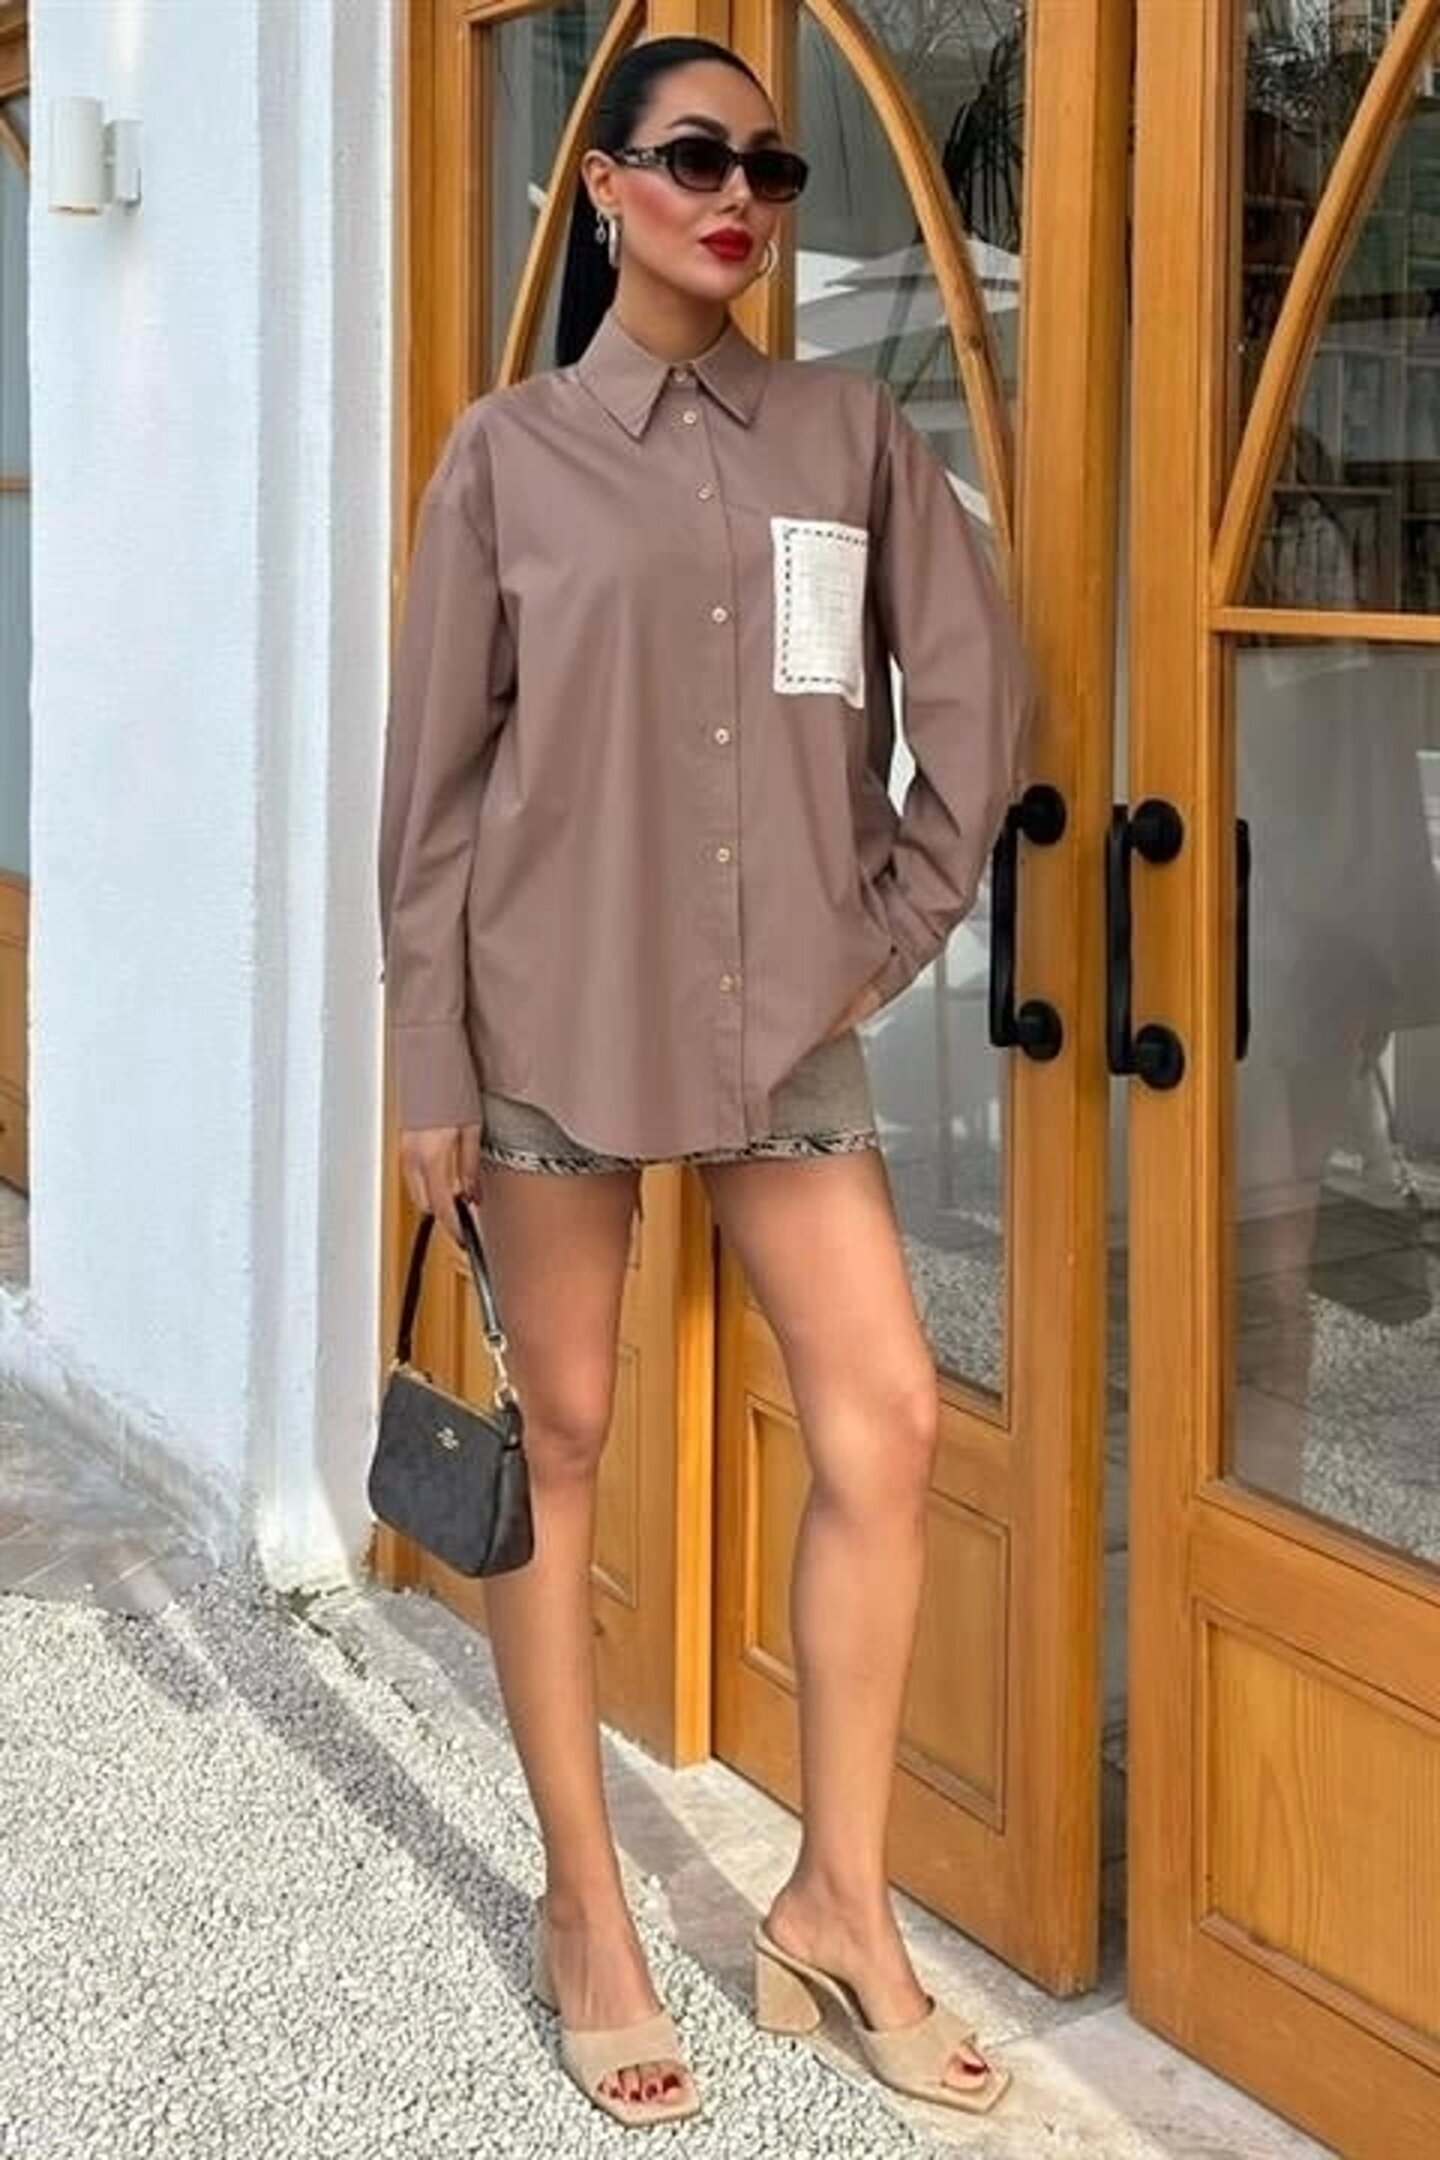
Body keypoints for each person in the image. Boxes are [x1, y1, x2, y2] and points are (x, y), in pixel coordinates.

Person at [378, 33, 1030, 2131]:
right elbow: (436, 795)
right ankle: (589, 1906)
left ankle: (838, 1901)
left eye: (769, 163)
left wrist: (880, 932)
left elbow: (977, 709)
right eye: (691, 156)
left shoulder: (850, 435)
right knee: (562, 1442)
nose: (737, 192)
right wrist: (425, 1059)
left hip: (782, 1023)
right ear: (602, 190)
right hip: (550, 1015)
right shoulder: (505, 458)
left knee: (890, 1420)